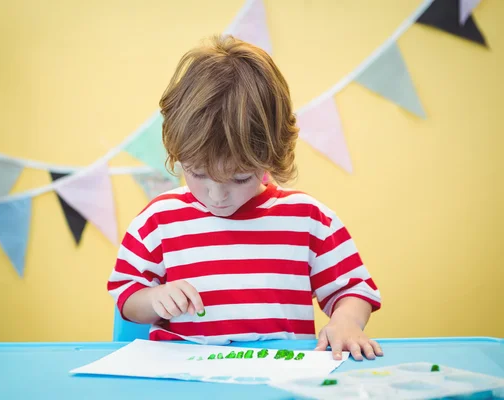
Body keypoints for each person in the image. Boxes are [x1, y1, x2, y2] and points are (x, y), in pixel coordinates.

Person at [107, 35, 382, 361]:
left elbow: (353, 288)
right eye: (197, 173)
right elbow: (127, 295)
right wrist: (154, 299)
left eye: (239, 178)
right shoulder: (158, 221)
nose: (216, 194)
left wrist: (347, 322)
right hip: (187, 380)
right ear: (177, 153)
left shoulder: (307, 219)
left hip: (279, 378)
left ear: (270, 157)